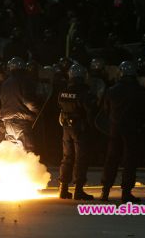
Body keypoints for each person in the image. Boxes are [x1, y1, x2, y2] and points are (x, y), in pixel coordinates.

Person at [101, 61, 145, 203]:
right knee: (129, 161)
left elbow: (105, 111)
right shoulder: (141, 91)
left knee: (111, 159)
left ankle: (105, 191)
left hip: (114, 129)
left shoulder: (111, 90)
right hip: (132, 130)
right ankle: (126, 193)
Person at [58, 63, 96, 200]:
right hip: (80, 127)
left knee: (67, 157)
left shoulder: (63, 91)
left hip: (66, 127)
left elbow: (60, 106)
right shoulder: (85, 92)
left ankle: (63, 189)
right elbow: (90, 110)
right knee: (81, 158)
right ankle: (78, 190)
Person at [0, 57, 40, 152]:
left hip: (7, 122)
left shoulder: (5, 83)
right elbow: (28, 101)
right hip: (21, 122)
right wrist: (36, 110)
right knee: (27, 151)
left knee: (12, 152)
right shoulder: (24, 81)